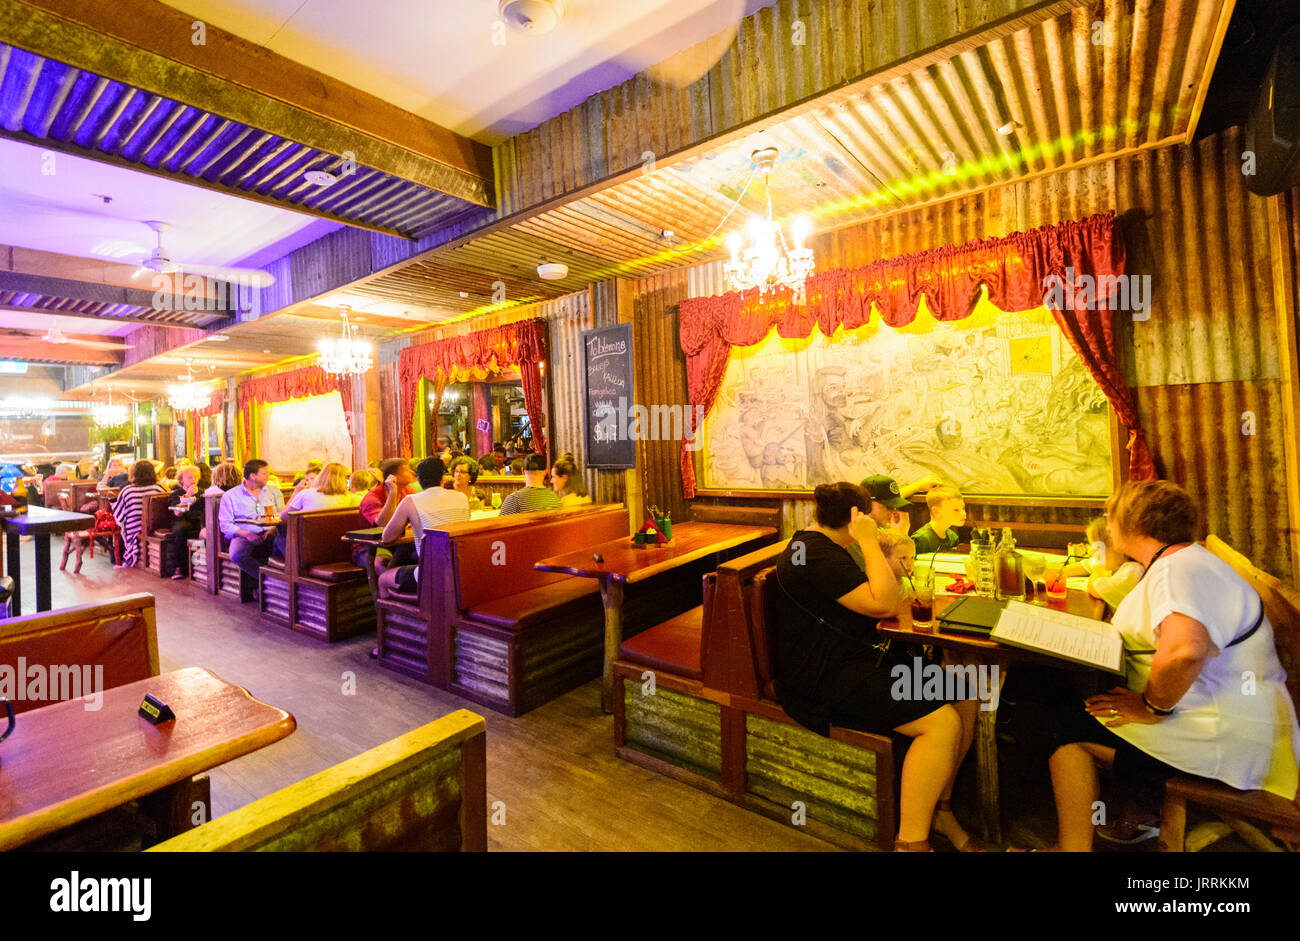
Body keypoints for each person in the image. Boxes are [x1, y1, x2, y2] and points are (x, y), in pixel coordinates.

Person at [1022, 480, 1300, 852]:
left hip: (1222, 735)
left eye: (1111, 514)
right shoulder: (1182, 561)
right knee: (1071, 701)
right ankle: (1133, 813)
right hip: (1230, 721)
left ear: (1136, 523)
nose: (1106, 522)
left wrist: (1151, 706)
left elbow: (1185, 650)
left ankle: (1072, 848)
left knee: (1065, 727)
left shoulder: (1176, 570)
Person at [772, 482, 981, 852]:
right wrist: (869, 542)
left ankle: (941, 809)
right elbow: (884, 604)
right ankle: (911, 841)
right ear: (857, 518)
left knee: (967, 692)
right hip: (824, 678)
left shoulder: (827, 546)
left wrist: (881, 544)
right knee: (941, 723)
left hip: (860, 658)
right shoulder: (815, 553)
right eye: (871, 514)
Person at [377, 458, 471, 595]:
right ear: (442, 479)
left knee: (382, 579)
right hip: (460, 570)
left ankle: (399, 615)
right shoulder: (462, 497)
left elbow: (387, 538)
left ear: (419, 480)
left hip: (431, 575)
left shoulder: (411, 501)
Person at [217, 459, 285, 601]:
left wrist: (272, 529)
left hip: (271, 531)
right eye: (265, 473)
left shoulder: (274, 492)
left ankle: (278, 586)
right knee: (236, 555)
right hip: (244, 533)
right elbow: (225, 524)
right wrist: (247, 534)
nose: (269, 475)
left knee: (284, 543)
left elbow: (282, 515)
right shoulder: (230, 496)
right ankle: (268, 581)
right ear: (253, 476)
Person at [112, 460, 166, 569]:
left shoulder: (127, 491)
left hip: (134, 529)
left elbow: (119, 516)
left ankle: (125, 558)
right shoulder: (158, 488)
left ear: (135, 474)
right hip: (155, 526)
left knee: (123, 526)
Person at [167, 462, 211, 579]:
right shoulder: (176, 494)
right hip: (181, 520)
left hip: (198, 521)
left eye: (195, 477)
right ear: (181, 480)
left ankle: (207, 569)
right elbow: (177, 512)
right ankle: (179, 567)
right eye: (190, 477)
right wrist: (188, 495)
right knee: (182, 529)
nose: (193, 479)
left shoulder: (203, 492)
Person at [498, 454, 563, 515]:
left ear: (523, 471)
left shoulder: (513, 500)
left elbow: (500, 525)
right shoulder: (555, 499)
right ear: (545, 471)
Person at [359, 458, 416, 528]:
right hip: (374, 538)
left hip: (400, 537)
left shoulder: (408, 490)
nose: (413, 473)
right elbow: (383, 524)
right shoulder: (371, 498)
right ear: (393, 477)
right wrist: (392, 493)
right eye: (407, 470)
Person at [911, 485, 966, 555]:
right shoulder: (921, 539)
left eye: (963, 508)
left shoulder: (953, 537)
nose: (963, 513)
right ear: (936, 511)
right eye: (956, 510)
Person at [283, 462, 353, 513]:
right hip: (339, 533)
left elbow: (284, 516)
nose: (309, 482)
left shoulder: (305, 494)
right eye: (307, 480)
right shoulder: (349, 497)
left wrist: (295, 492)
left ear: (321, 477)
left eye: (312, 478)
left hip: (310, 533)